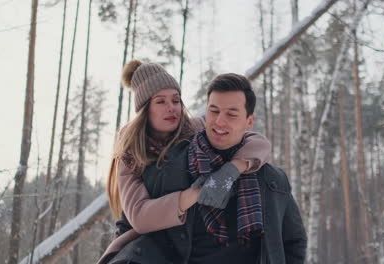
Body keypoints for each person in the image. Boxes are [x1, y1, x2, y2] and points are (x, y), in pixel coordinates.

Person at [99, 61, 272, 264]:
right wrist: (196, 194)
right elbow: (140, 216)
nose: (172, 108)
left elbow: (258, 142)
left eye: (176, 100)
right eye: (161, 102)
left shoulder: (195, 128)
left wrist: (233, 168)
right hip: (147, 246)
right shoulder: (131, 154)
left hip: (197, 242)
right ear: (145, 109)